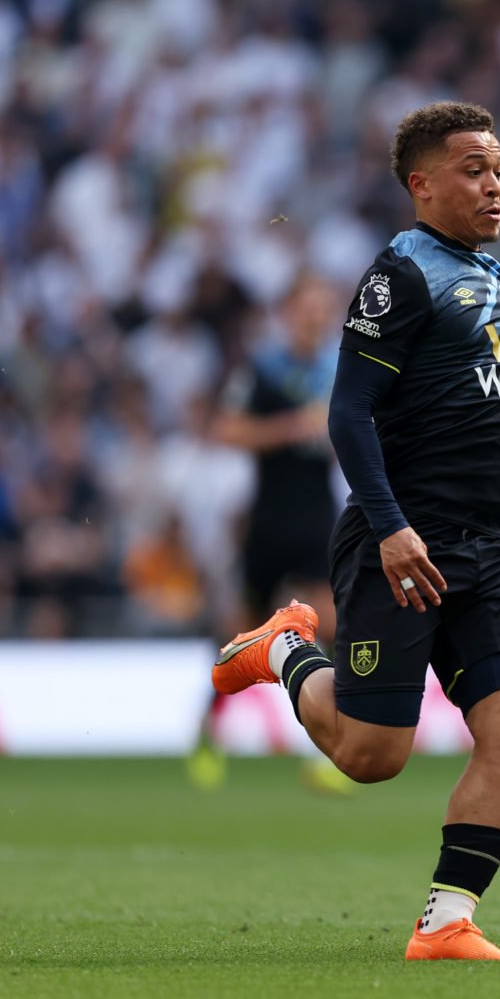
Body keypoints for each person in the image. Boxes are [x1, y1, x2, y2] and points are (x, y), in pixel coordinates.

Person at [212, 100, 500, 962]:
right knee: (370, 756)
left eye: (498, 168)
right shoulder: (401, 274)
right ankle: (285, 649)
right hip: (404, 541)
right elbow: (349, 414)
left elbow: (490, 417)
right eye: (473, 169)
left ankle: (445, 922)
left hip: (489, 546)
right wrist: (390, 527)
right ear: (421, 185)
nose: (493, 185)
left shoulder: (495, 280)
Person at [189, 274, 353, 796]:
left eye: (322, 309)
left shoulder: (340, 369)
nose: (315, 318)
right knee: (239, 632)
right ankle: (209, 731)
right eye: (307, 308)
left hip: (319, 518)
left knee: (331, 624)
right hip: (267, 518)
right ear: (288, 313)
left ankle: (333, 747)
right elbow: (225, 429)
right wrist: (291, 428)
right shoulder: (263, 370)